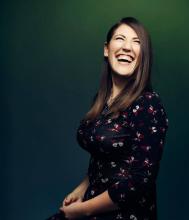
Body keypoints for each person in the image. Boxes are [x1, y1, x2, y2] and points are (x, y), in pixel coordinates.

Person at [46, 16, 168, 220]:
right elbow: (103, 155)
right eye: (120, 38)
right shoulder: (101, 101)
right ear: (106, 49)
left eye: (136, 42)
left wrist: (83, 210)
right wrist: (82, 188)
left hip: (126, 213)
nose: (127, 47)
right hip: (91, 203)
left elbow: (140, 180)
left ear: (143, 56)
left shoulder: (148, 104)